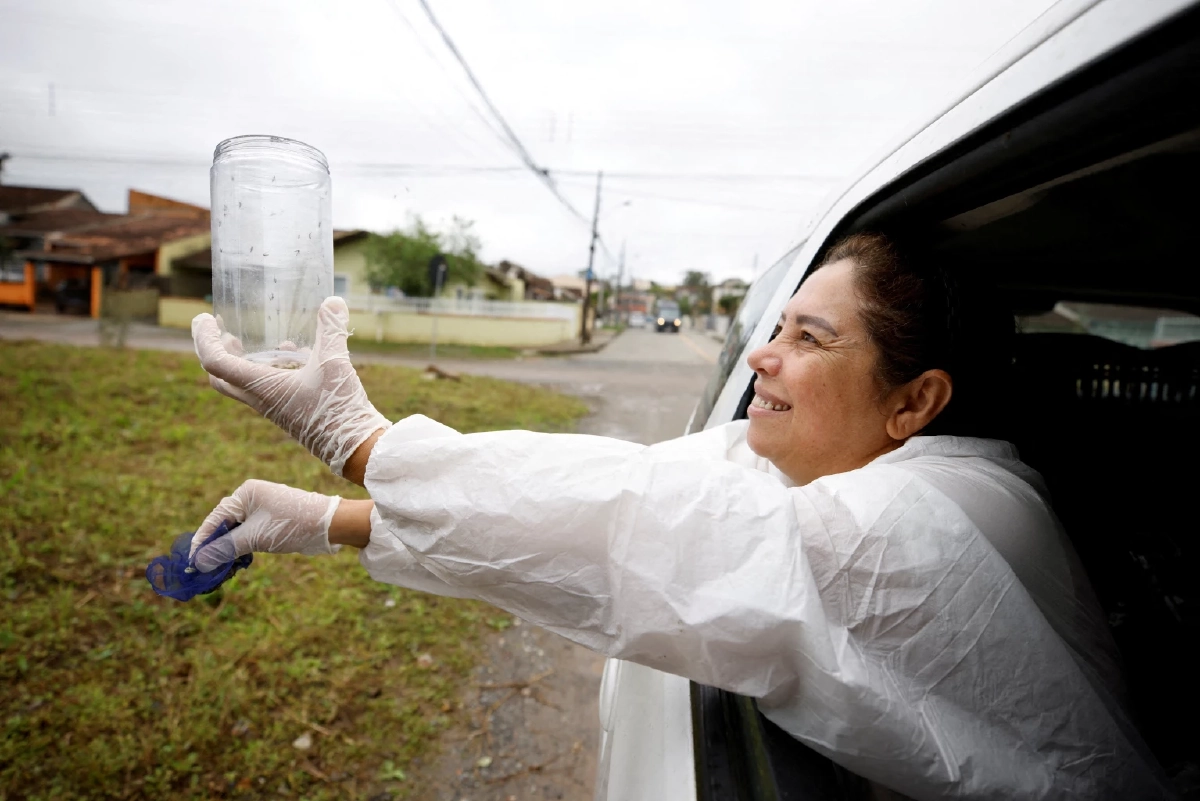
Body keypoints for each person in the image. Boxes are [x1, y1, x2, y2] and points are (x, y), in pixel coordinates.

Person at [187, 233, 1171, 800]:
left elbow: (656, 530)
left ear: (913, 403)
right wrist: (332, 518)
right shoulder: (810, 457)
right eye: (774, 327)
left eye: (808, 338)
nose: (759, 358)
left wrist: (364, 440)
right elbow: (637, 485)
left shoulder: (954, 510)